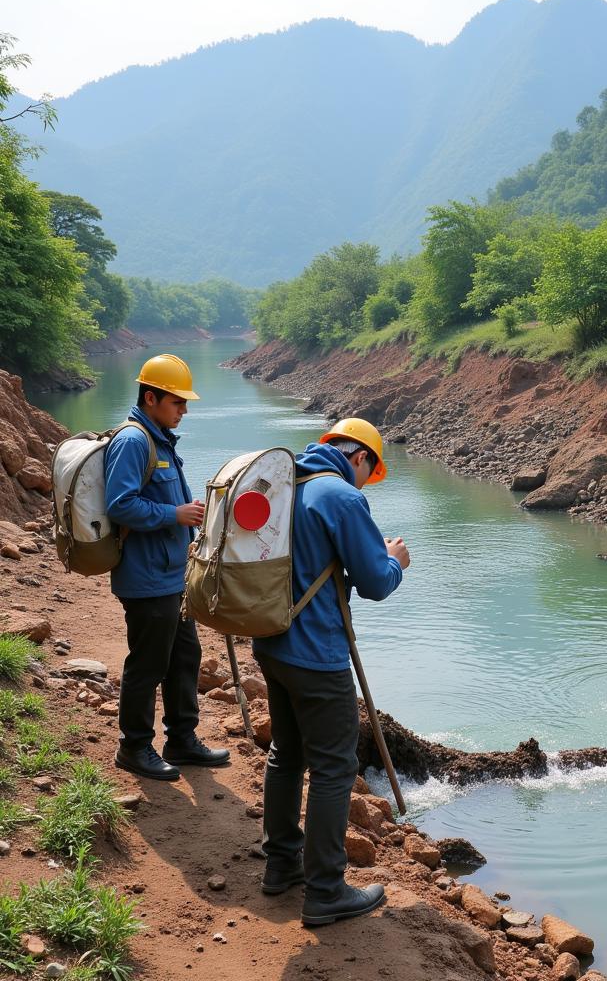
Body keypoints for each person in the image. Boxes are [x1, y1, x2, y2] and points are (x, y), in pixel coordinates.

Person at [253, 417, 409, 927]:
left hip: (271, 642)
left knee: (286, 753)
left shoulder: (286, 481)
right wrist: (395, 560)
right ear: (359, 458)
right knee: (335, 768)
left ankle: (281, 866)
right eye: (369, 472)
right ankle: (325, 891)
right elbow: (374, 583)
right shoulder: (342, 497)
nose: (365, 483)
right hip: (316, 654)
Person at [104, 354, 230, 781]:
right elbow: (119, 505)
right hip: (145, 579)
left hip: (172, 576)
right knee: (148, 664)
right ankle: (134, 747)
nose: (184, 410)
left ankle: (182, 740)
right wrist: (173, 515)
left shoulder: (160, 439)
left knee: (184, 657)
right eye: (177, 402)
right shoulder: (134, 441)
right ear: (151, 397)